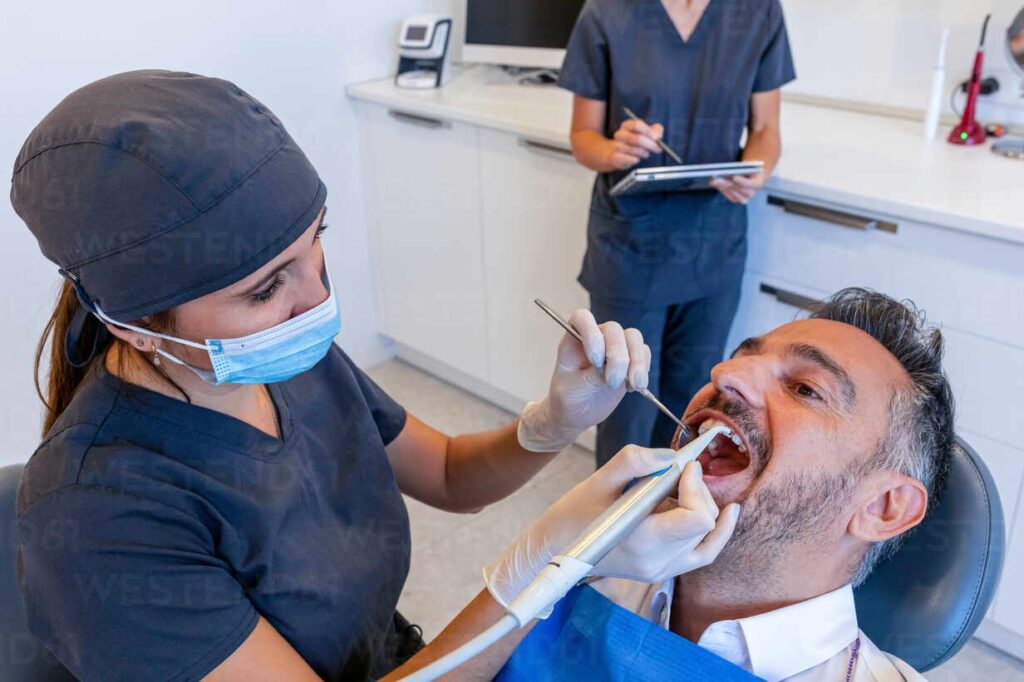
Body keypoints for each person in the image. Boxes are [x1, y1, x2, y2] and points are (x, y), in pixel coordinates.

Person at [11, 70, 738, 681]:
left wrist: (553, 422)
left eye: (315, 243)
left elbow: (452, 476)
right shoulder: (97, 520)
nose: (317, 300)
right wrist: (543, 570)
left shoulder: (290, 358)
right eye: (265, 288)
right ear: (130, 321)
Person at [493, 288, 954, 681]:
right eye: (739, 358)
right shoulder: (589, 571)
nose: (724, 375)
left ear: (884, 507)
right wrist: (539, 561)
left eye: (805, 389)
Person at [558, 0, 797, 467]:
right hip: (631, 242)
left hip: (713, 240)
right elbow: (583, 137)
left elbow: (767, 128)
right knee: (624, 398)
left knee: (695, 399)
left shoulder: (757, 12)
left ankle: (673, 517)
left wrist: (756, 170)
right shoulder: (607, 14)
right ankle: (615, 523)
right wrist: (615, 149)